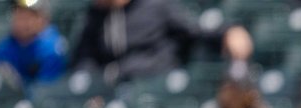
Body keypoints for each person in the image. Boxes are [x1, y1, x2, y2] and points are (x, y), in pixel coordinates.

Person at [72, 0, 253, 84]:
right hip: (112, 92)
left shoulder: (156, 6)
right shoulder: (94, 17)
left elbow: (195, 30)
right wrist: (92, 88)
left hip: (155, 90)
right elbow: (84, 62)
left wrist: (228, 31)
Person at [0, 0, 67, 92]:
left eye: (28, 16)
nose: (21, 21)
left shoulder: (52, 48)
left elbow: (46, 92)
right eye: (18, 14)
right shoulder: (5, 45)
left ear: (42, 18)